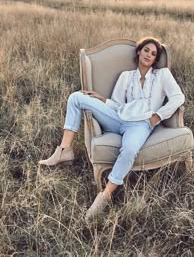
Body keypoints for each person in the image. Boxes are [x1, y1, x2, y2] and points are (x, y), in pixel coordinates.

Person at [39, 37, 185, 221]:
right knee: (76, 97)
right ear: (139, 51)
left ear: (156, 60)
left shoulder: (162, 75)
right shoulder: (126, 76)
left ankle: (105, 195)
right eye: (146, 50)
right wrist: (102, 100)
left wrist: (158, 116)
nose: (149, 55)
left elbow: (178, 97)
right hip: (118, 118)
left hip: (141, 124)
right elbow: (117, 104)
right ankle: (64, 151)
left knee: (130, 149)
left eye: (154, 54)